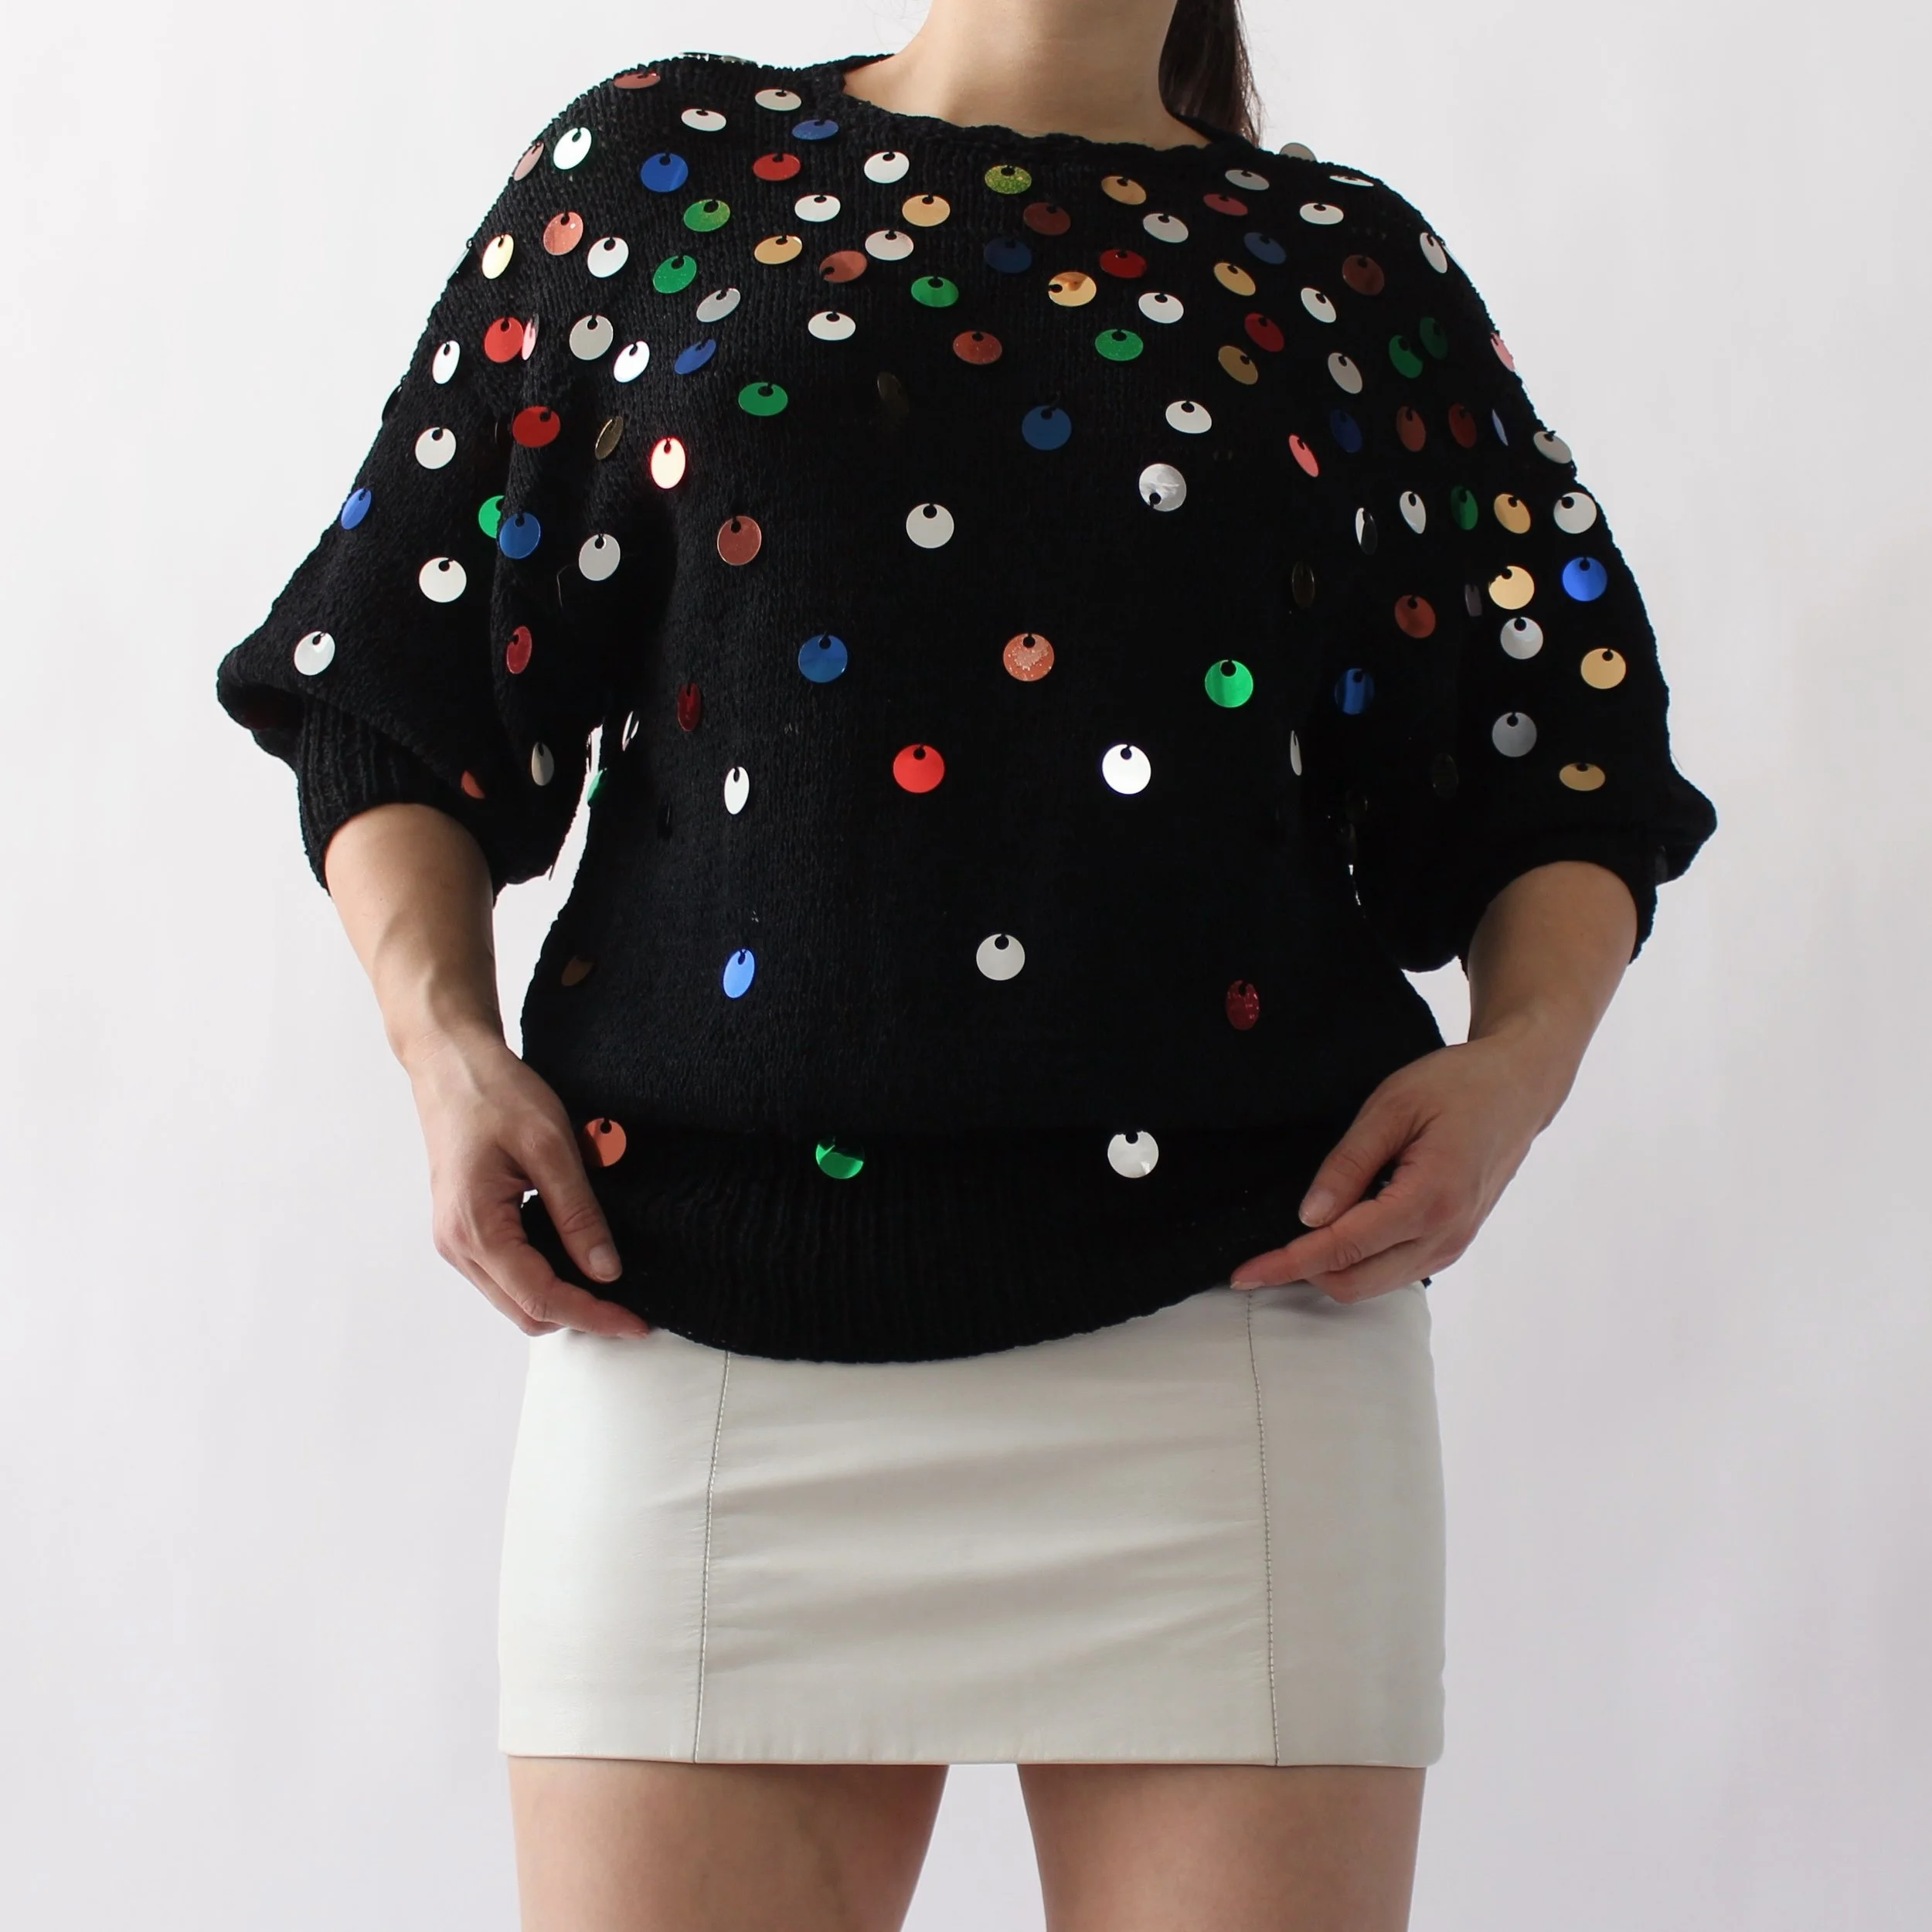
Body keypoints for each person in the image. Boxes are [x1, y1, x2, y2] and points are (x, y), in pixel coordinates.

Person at [215, 2, 1716, 1925]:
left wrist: (1517, 1065)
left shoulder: (1341, 272)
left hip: (1234, 1349)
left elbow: (1557, 750)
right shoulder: (657, 172)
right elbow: (398, 676)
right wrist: (441, 1039)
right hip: (693, 1339)